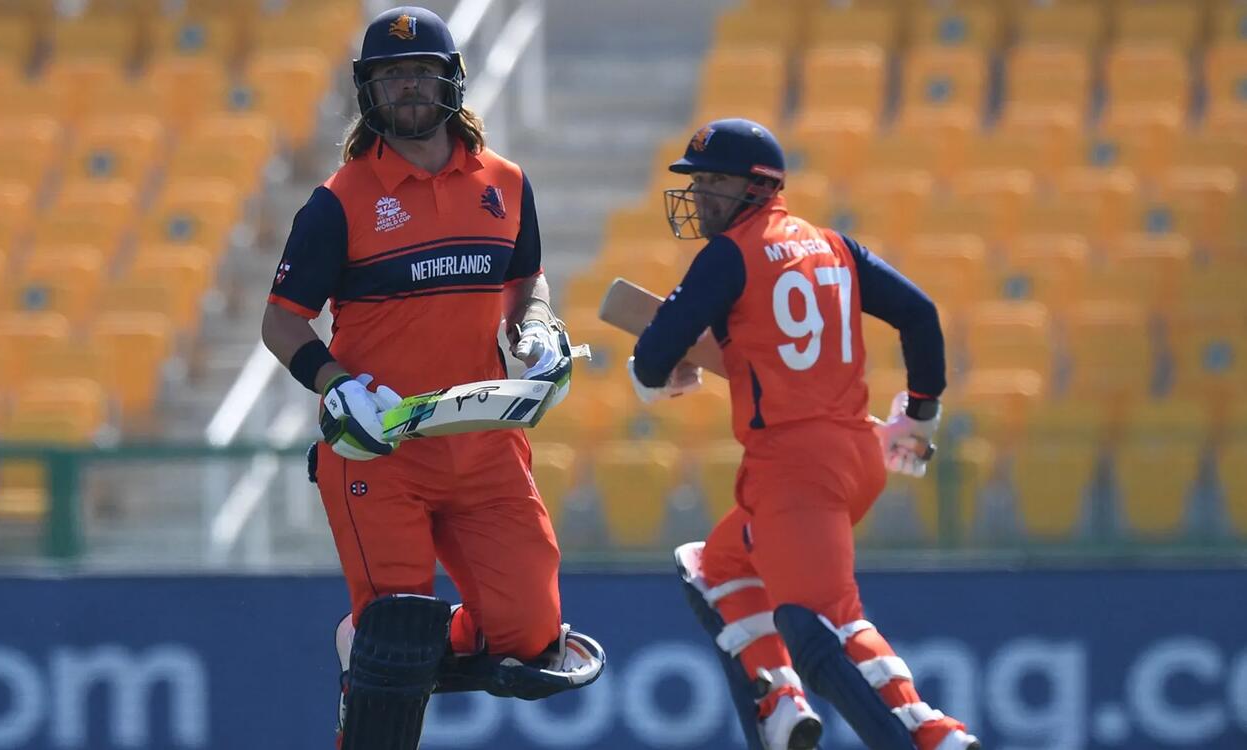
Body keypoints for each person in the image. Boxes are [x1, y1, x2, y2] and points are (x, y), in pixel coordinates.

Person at [260, 7, 602, 749]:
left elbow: (525, 279)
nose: (407, 87)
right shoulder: (338, 201)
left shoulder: (506, 183)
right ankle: (378, 651)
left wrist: (537, 325)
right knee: (398, 635)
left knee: (531, 636)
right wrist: (336, 384)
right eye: (391, 76)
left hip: (485, 446)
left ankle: (377, 649)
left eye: (420, 72)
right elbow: (281, 321)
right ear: (368, 92)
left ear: (451, 81)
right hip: (379, 454)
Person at [628, 118, 979, 750]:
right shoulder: (834, 245)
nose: (700, 194)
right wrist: (920, 414)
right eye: (697, 181)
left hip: (795, 471)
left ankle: (931, 734)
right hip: (855, 454)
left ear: (757, 187)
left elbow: (653, 358)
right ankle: (781, 702)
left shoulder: (728, 255)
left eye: (714, 181)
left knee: (820, 622)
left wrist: (662, 379)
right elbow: (920, 315)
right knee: (712, 565)